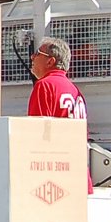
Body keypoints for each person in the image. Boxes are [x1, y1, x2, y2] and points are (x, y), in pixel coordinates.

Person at [28, 36, 93, 193]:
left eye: (37, 53)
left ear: (50, 61)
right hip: (78, 174)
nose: (32, 57)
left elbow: (39, 134)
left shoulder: (44, 86)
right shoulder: (74, 91)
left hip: (56, 179)